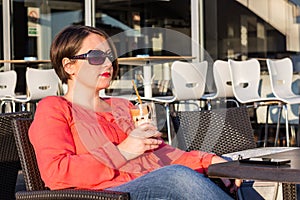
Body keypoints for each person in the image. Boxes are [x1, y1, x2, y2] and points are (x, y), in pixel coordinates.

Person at [29, 25, 241, 200]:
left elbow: (162, 154)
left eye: (109, 56)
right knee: (176, 177)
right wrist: (122, 152)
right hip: (104, 194)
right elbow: (56, 173)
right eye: (95, 56)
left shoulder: (122, 106)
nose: (107, 63)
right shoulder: (55, 108)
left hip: (149, 184)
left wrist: (210, 161)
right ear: (69, 66)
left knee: (242, 174)